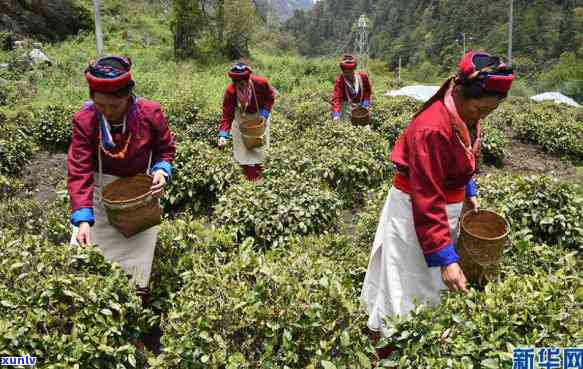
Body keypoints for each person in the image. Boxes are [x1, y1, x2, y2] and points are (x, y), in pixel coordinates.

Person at [360, 51, 514, 359]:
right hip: (415, 212)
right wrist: (445, 258)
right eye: (480, 109)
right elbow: (426, 198)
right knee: (405, 283)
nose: (481, 117)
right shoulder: (431, 127)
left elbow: (462, 157)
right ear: (460, 93)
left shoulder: (464, 113)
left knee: (427, 287)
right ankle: (388, 350)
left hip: (442, 211)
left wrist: (468, 188)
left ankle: (419, 345)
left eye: (489, 111)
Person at [68, 55, 176, 298]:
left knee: (135, 273)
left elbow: (165, 149)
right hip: (98, 200)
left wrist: (161, 170)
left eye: (114, 106)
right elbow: (79, 170)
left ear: (128, 96)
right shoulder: (85, 120)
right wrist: (83, 219)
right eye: (100, 105)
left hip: (139, 203)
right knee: (87, 270)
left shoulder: (149, 114)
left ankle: (133, 310)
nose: (107, 112)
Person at [217, 61, 277, 181]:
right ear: (233, 81)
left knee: (259, 146)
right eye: (237, 82)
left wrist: (264, 115)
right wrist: (223, 135)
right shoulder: (231, 91)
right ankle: (246, 177)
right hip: (241, 117)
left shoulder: (260, 83)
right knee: (241, 148)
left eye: (243, 81)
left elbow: (271, 96)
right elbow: (227, 115)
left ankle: (260, 175)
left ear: (248, 78)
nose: (240, 84)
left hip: (259, 115)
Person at [331, 54, 372, 122]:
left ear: (354, 69)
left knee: (364, 126)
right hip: (346, 107)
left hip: (361, 105)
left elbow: (368, 91)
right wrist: (336, 114)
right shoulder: (340, 80)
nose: (348, 74)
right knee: (346, 126)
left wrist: (366, 103)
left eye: (350, 71)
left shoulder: (362, 76)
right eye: (346, 72)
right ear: (343, 71)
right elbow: (336, 98)